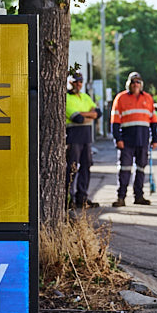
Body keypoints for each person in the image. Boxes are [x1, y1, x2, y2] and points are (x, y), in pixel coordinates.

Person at [110, 71, 157, 207]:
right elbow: (114, 121)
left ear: (141, 84)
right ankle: (121, 197)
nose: (135, 84)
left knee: (141, 169)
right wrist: (117, 138)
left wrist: (155, 138)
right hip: (126, 140)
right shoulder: (120, 98)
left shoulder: (148, 98)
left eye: (138, 82)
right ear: (129, 84)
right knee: (125, 169)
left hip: (142, 140)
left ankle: (139, 196)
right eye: (133, 82)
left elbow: (153, 121)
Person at [65, 71, 99, 209]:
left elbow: (99, 113)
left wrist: (84, 114)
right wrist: (90, 115)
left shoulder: (85, 96)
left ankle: (82, 198)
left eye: (80, 81)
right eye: (75, 81)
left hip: (86, 137)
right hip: (73, 137)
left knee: (86, 166)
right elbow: (76, 118)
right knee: (72, 168)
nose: (78, 84)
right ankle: (68, 199)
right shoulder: (66, 97)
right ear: (69, 82)